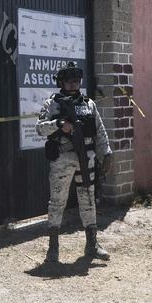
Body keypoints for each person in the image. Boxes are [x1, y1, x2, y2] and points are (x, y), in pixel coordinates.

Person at [36, 62, 113, 263]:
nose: (73, 84)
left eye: (77, 81)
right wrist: (59, 124)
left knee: (88, 199)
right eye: (69, 81)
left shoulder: (89, 104)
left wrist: (106, 154)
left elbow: (100, 131)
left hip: (86, 158)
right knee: (57, 201)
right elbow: (40, 128)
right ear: (61, 82)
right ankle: (53, 247)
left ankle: (92, 244)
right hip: (63, 158)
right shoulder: (52, 104)